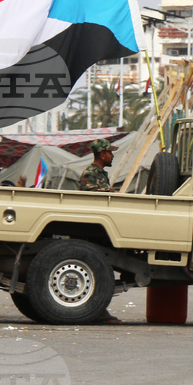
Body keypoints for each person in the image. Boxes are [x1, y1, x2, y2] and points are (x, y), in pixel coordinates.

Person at [79, 138, 121, 324]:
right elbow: (90, 195)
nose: (112, 156)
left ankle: (97, 310)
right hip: (92, 230)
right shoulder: (90, 173)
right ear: (102, 155)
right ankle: (97, 310)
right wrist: (111, 193)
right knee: (97, 271)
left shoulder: (101, 173)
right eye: (110, 152)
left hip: (101, 229)